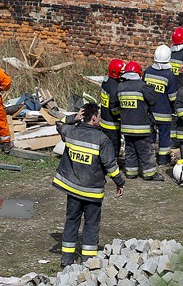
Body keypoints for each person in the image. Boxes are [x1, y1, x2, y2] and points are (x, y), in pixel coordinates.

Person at [52, 103, 125, 267]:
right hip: (92, 192)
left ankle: (66, 259)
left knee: (71, 222)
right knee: (91, 225)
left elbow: (59, 124)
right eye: (99, 116)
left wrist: (73, 118)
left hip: (72, 190)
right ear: (93, 118)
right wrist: (119, 182)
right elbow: (110, 166)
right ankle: (88, 261)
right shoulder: (102, 139)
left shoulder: (71, 132)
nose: (100, 118)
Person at [116, 61, 163, 181]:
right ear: (138, 73)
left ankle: (131, 172)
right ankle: (149, 174)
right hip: (141, 127)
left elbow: (115, 106)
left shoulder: (120, 87)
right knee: (145, 151)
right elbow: (153, 100)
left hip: (126, 127)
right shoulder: (142, 86)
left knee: (130, 150)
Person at [144, 45, 180, 167]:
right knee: (164, 136)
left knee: (150, 135)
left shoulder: (148, 71)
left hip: (149, 112)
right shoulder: (169, 75)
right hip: (164, 112)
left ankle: (150, 158)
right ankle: (163, 160)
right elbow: (172, 97)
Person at [99, 59, 125, 157]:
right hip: (112, 125)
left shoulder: (106, 82)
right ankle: (112, 167)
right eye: (121, 73)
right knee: (113, 147)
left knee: (105, 147)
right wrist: (122, 115)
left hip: (104, 121)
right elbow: (114, 109)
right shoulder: (115, 87)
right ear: (116, 72)